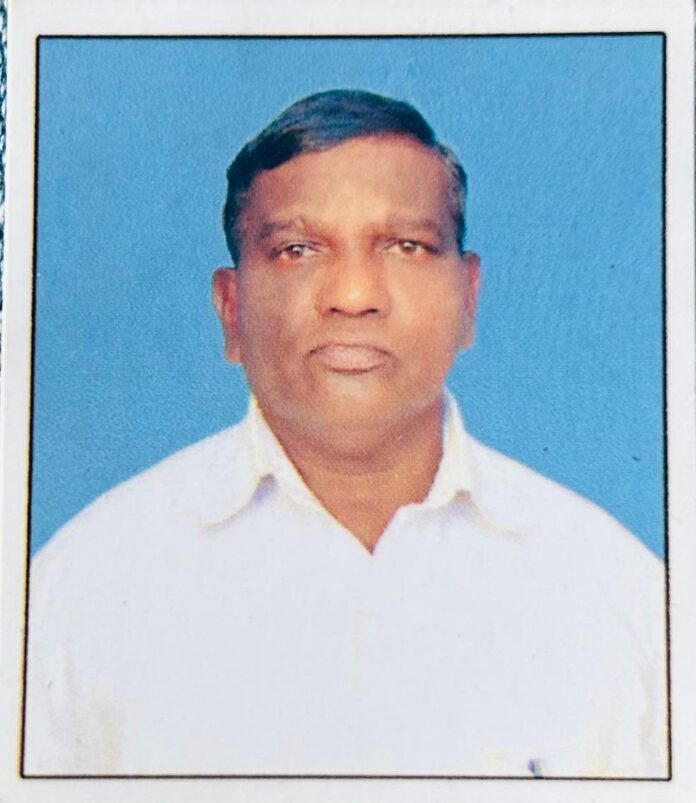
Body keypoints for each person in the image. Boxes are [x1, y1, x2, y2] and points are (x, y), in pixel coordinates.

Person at [25, 89, 667, 777]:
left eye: (406, 246)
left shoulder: (619, 595)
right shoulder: (81, 593)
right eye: (297, 249)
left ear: (468, 298)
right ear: (231, 309)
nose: (354, 295)